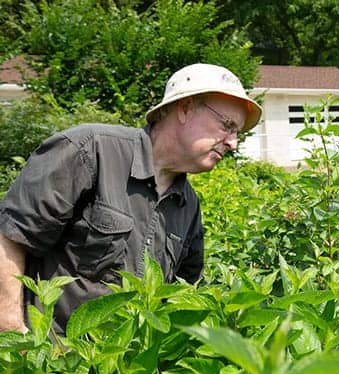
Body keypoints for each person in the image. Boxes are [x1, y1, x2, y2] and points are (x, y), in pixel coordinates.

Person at [0, 63, 262, 335]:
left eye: (237, 133)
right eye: (227, 125)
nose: (233, 143)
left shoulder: (188, 204)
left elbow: (181, 291)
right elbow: (9, 236)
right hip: (53, 360)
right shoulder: (90, 150)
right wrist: (11, 331)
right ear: (185, 108)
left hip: (125, 369)